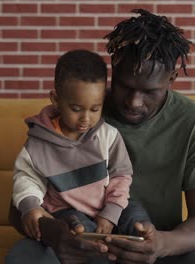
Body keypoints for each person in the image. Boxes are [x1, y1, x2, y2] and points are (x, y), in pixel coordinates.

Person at [6, 9, 195, 264]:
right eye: (125, 85)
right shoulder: (82, 108)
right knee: (22, 258)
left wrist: (161, 244)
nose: (134, 102)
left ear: (171, 78)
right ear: (113, 66)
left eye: (149, 91)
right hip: (77, 245)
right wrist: (53, 234)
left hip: (155, 247)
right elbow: (17, 210)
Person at [11, 49, 150, 245]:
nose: (86, 118)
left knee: (134, 212)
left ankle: (142, 238)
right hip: (67, 210)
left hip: (106, 203)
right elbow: (27, 178)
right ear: (56, 100)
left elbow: (121, 176)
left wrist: (110, 213)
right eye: (76, 109)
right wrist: (30, 206)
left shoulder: (108, 135)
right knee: (78, 228)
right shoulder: (38, 143)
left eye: (95, 109)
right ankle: (99, 248)